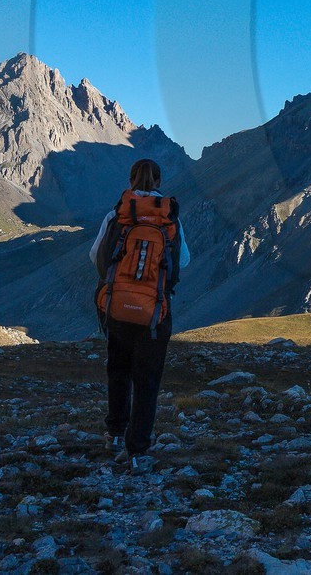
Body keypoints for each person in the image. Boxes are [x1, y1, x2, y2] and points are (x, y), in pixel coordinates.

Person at [89, 158, 190, 471]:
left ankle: (114, 434)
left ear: (131, 179)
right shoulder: (169, 218)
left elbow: (97, 257)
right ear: (159, 181)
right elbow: (182, 261)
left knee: (118, 371)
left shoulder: (117, 214)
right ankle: (137, 450)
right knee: (146, 380)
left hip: (118, 307)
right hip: (154, 313)